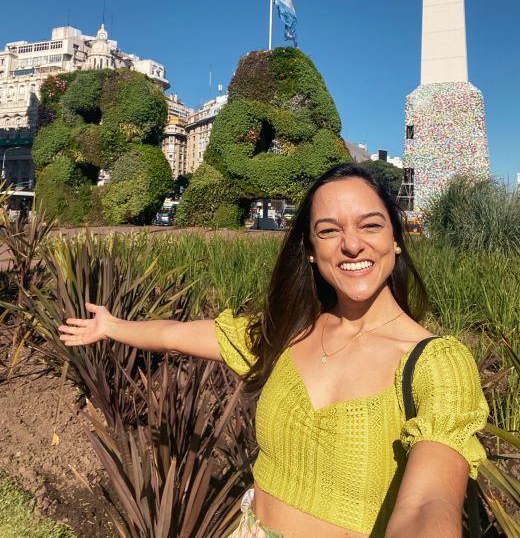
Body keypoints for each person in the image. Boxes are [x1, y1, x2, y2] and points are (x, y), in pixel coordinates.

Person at [58, 163, 488, 538]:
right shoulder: (288, 333)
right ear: (310, 252)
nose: (352, 244)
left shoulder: (435, 364)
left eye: (371, 225)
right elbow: (175, 334)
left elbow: (428, 505)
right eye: (329, 231)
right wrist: (112, 325)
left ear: (396, 239)